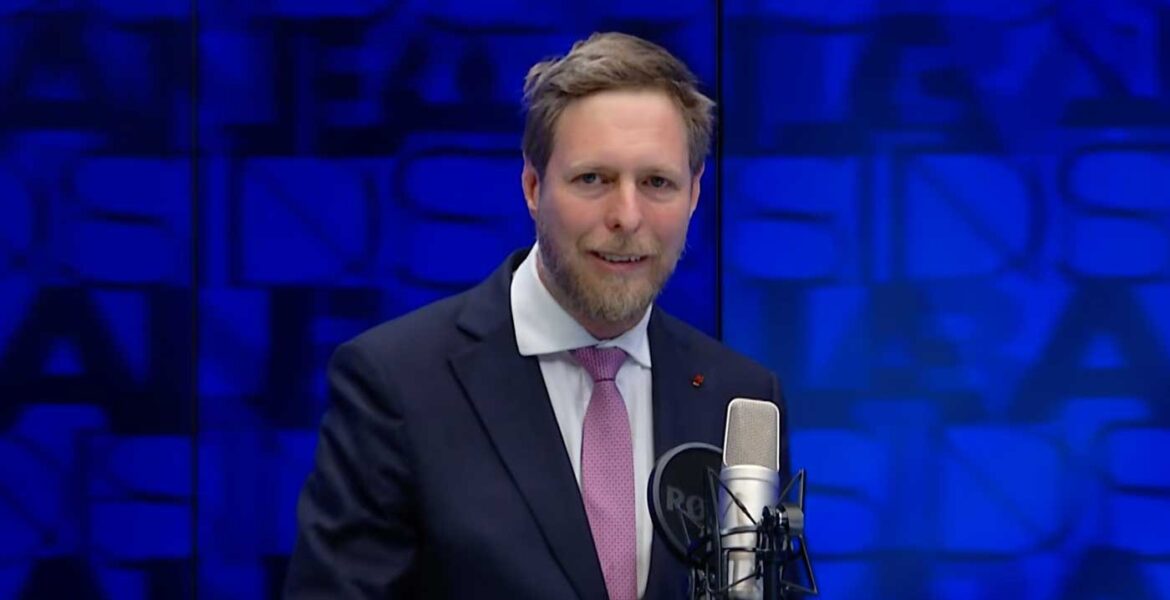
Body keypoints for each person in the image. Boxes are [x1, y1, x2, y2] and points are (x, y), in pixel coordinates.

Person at [284, 31, 789, 600]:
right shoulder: (395, 383)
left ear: (694, 196)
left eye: (656, 183)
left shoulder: (742, 400)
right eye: (593, 179)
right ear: (532, 186)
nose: (627, 216)